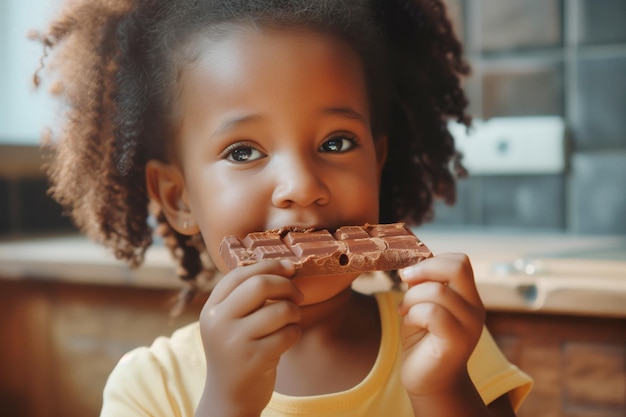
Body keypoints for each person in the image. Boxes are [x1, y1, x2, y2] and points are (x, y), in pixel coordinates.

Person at [35, 0, 532, 416]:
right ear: (176, 196)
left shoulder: (443, 341)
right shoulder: (150, 389)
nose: (300, 186)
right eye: (243, 151)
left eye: (337, 143)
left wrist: (444, 392)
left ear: (377, 163)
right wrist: (226, 403)